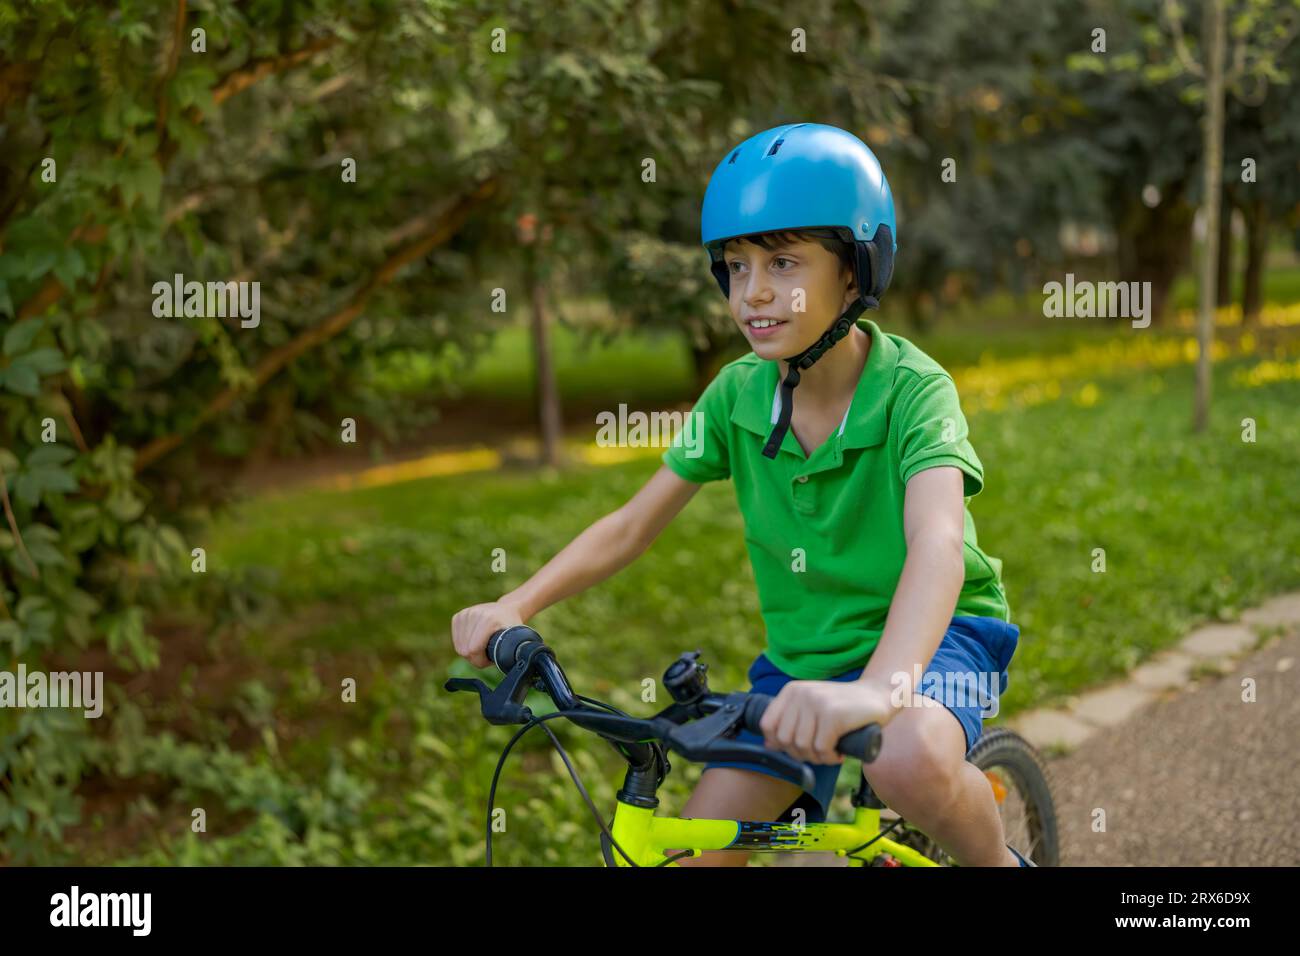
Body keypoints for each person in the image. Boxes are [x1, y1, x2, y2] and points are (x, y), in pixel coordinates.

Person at [451, 122, 1030, 867]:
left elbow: (939, 545)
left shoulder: (914, 392)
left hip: (941, 640)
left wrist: (882, 689)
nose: (753, 292)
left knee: (907, 756)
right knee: (694, 851)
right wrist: (516, 606)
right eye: (736, 265)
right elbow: (630, 526)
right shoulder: (735, 398)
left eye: (784, 262)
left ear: (855, 270)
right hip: (803, 663)